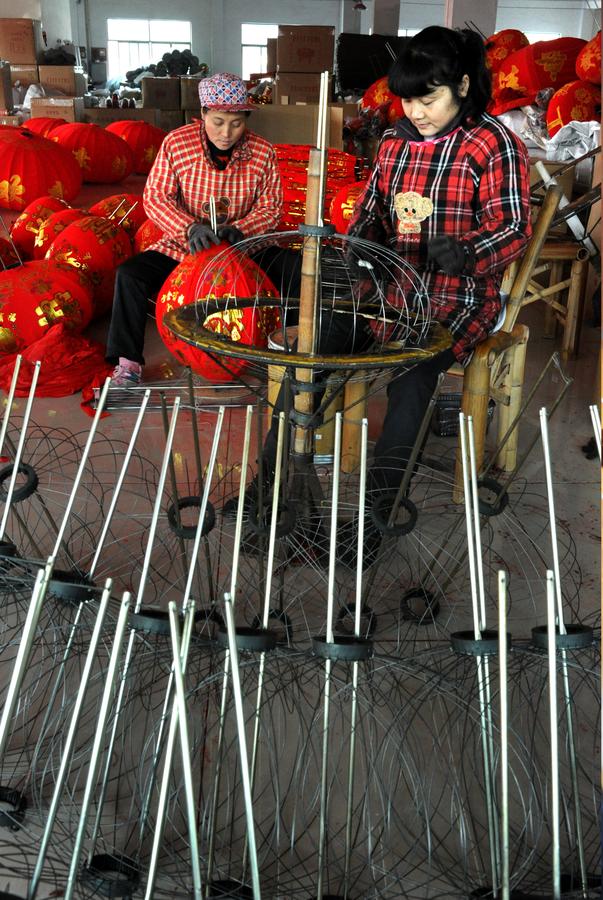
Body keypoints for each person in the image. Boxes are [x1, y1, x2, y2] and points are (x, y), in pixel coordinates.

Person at [238, 26, 533, 564]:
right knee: (311, 349)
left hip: (455, 300)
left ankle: (378, 513)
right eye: (408, 99)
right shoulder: (395, 142)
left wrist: (467, 253)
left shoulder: (494, 144)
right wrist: (358, 247)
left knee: (413, 375)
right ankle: (271, 493)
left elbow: (513, 228)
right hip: (384, 291)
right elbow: (372, 209)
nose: (416, 111)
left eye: (430, 98)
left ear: (463, 85)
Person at [106, 72, 284, 386]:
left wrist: (240, 230)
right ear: (202, 114)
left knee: (293, 270)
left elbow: (271, 208)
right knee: (130, 275)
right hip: (186, 249)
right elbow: (156, 197)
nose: (227, 133)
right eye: (218, 121)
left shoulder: (263, 152)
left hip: (242, 250)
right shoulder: (176, 143)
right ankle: (128, 363)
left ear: (246, 118)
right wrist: (189, 229)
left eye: (236, 123)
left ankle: (284, 354)